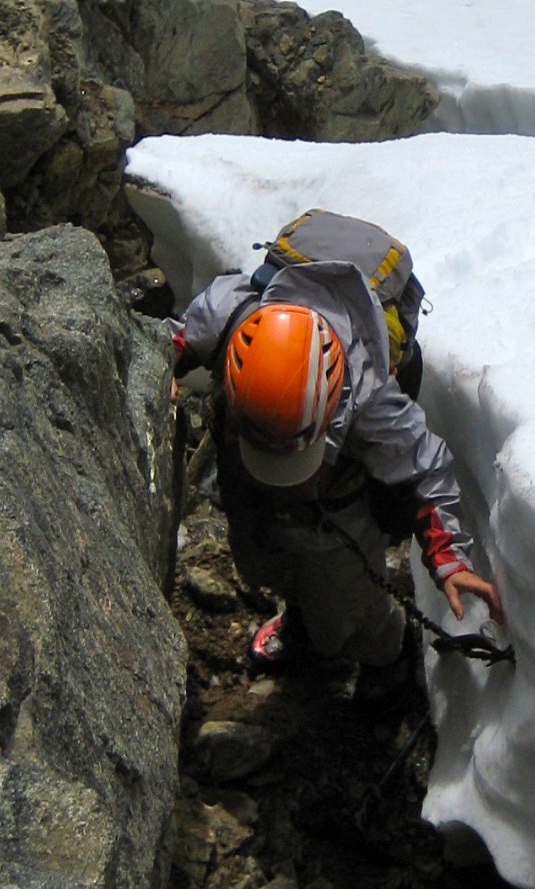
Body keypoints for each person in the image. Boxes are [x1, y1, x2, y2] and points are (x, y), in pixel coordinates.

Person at [171, 210, 505, 680]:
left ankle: (388, 661)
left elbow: (424, 465)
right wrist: (170, 355)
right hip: (270, 500)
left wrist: (449, 558)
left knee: (346, 606)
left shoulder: (367, 390)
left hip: (335, 518)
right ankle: (306, 624)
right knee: (266, 560)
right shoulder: (230, 317)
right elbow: (185, 329)